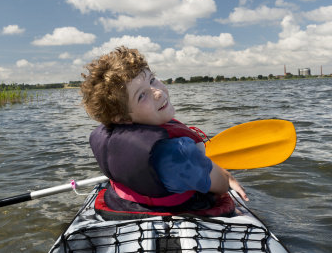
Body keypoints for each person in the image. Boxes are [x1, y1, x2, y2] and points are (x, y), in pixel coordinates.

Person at [80, 46, 247, 215]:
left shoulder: (108, 132)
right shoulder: (176, 153)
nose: (158, 92)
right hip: (178, 209)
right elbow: (220, 185)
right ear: (121, 118)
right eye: (141, 95)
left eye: (152, 80)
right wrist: (227, 177)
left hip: (121, 204)